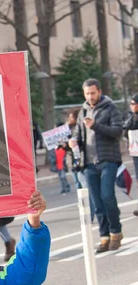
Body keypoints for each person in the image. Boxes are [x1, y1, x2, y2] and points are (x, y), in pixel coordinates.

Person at [70, 78, 123, 253]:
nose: (90, 96)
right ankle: (104, 236)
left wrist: (96, 126)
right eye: (87, 93)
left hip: (108, 159)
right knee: (96, 201)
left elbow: (117, 131)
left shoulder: (110, 108)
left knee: (107, 195)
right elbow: (78, 134)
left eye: (93, 93)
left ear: (99, 92)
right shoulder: (83, 111)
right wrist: (72, 141)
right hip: (88, 163)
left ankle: (116, 232)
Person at [123, 93, 138, 217]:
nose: (132, 106)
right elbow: (124, 132)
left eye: (134, 104)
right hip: (136, 153)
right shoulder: (131, 118)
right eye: (131, 104)